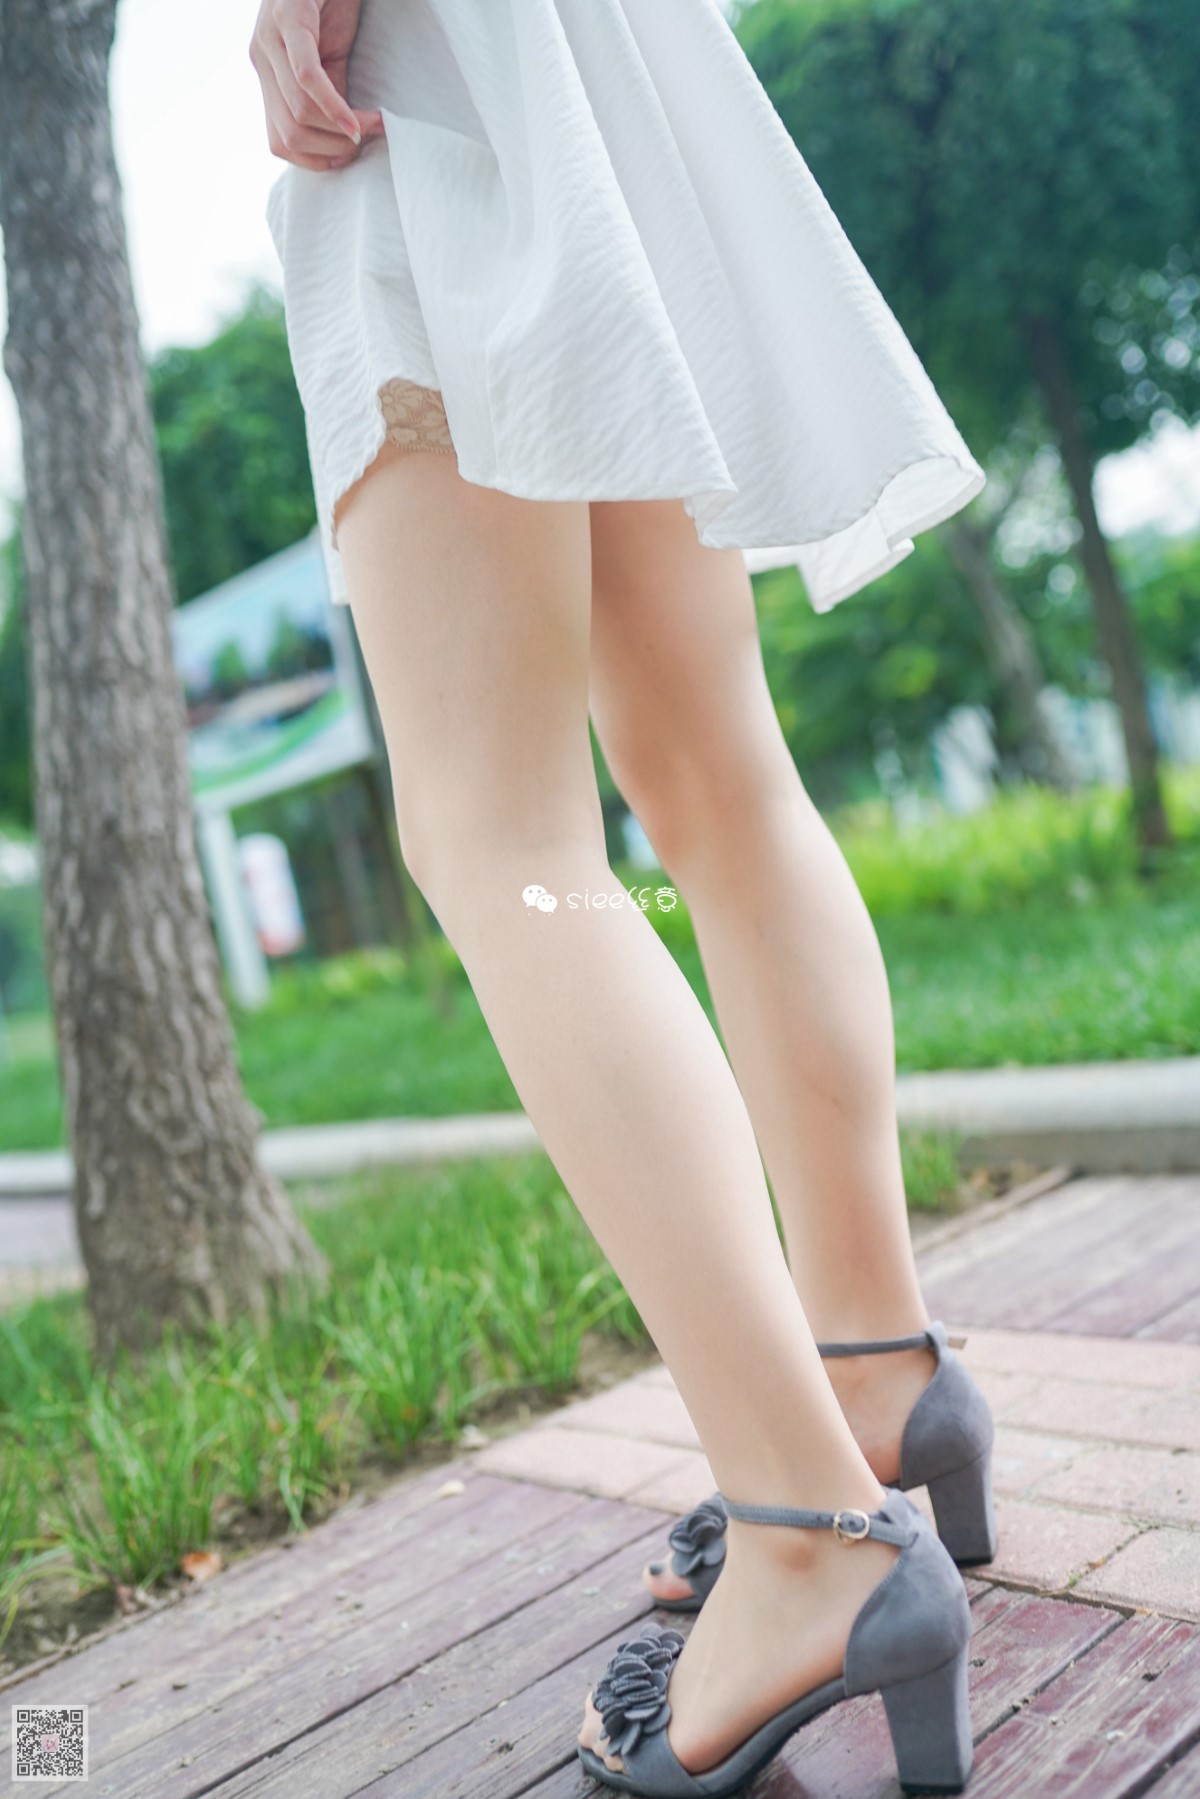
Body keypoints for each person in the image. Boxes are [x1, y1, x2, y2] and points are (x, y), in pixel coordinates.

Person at [251, 1, 996, 1790]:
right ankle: (875, 1374)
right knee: (716, 771)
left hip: (426, 90)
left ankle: (809, 1534)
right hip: (591, 68)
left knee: (501, 841)